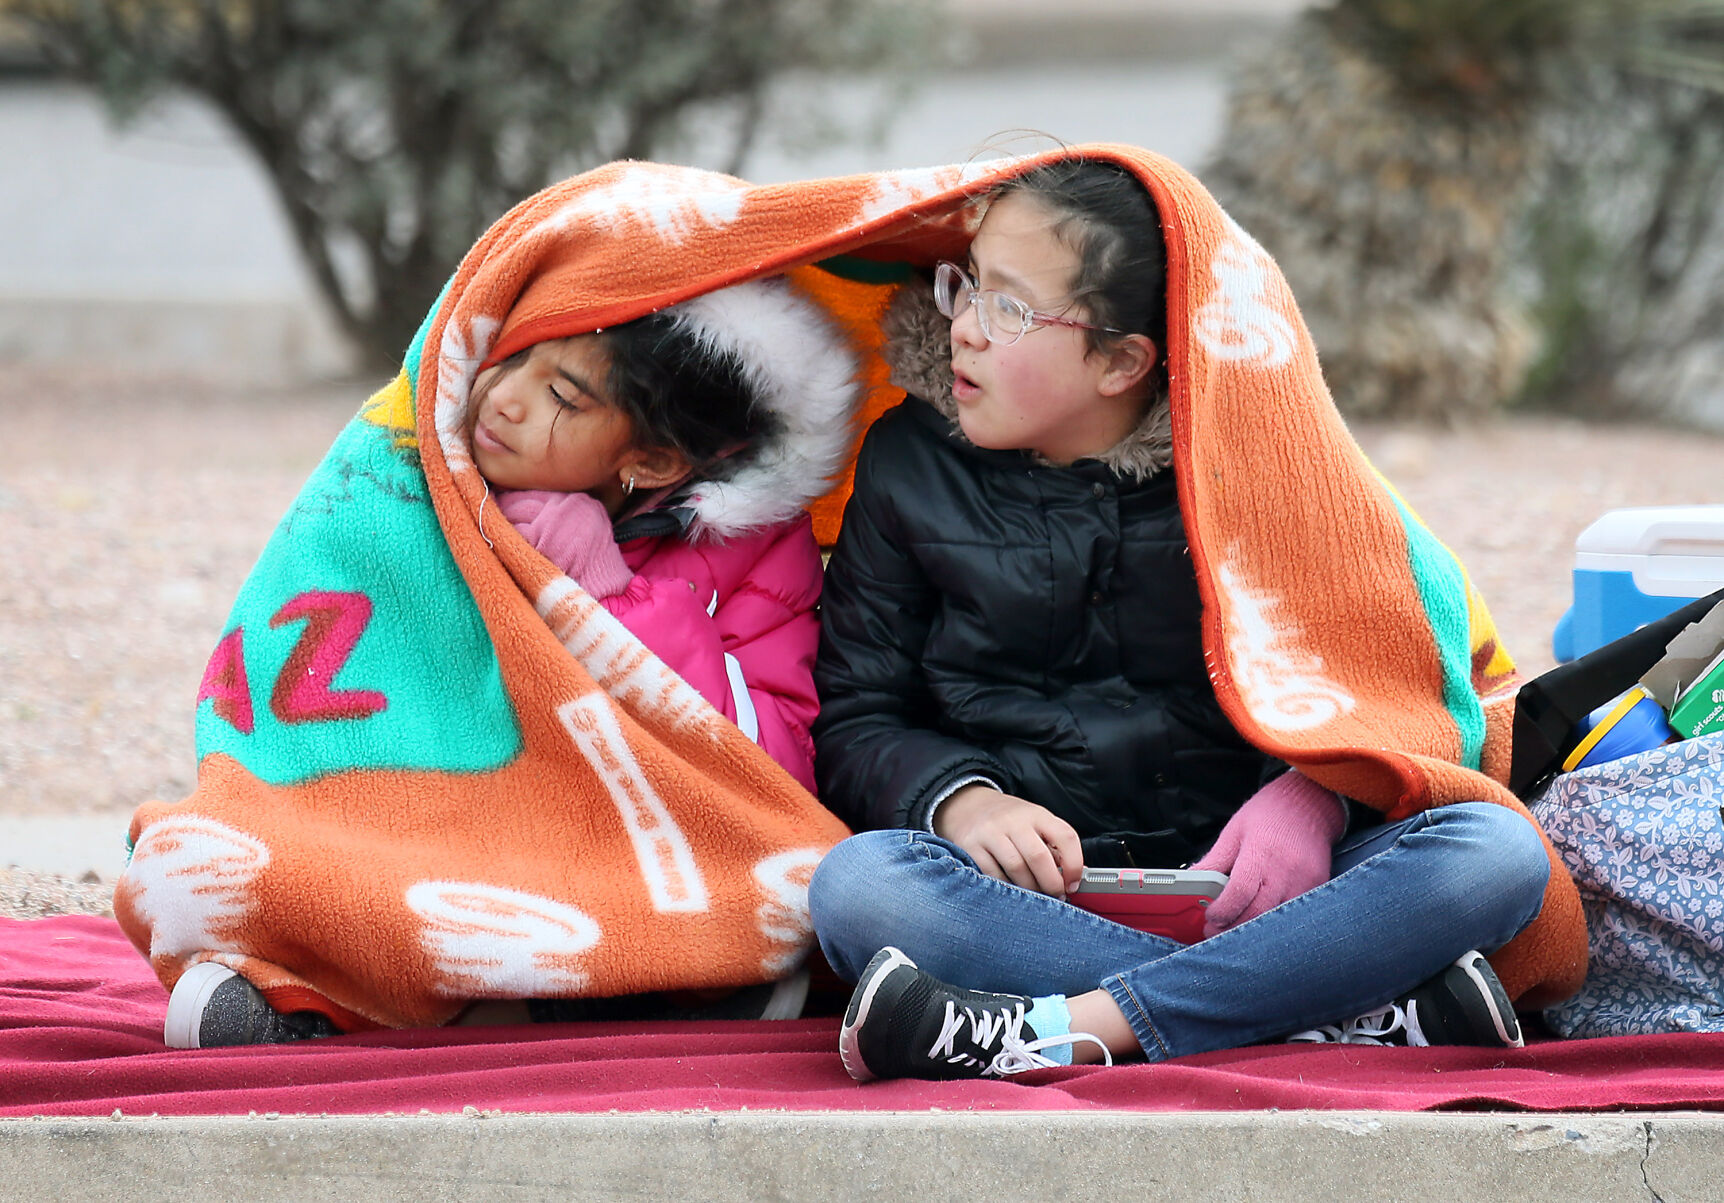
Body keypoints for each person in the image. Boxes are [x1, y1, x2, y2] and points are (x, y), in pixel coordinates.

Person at [807, 159, 1552, 1081]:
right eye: (966, 285)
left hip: (1265, 893)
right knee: (858, 889)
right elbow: (857, 715)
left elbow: (1399, 672)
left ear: (1123, 360)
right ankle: (1326, 1014)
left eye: (1009, 307)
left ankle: (1044, 1029)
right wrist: (963, 799)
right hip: (1030, 900)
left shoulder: (1262, 456)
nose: (961, 325)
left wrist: (1316, 791)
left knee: (1497, 852)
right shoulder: (906, 461)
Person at [163, 274, 860, 1046]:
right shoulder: (419, 474)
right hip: (441, 817)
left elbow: (770, 768)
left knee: (760, 899)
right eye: (515, 357)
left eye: (563, 396)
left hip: (604, 851)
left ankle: (405, 1006)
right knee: (222, 855)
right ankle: (359, 982)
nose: (503, 399)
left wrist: (603, 598)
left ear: (654, 461)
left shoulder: (754, 549)